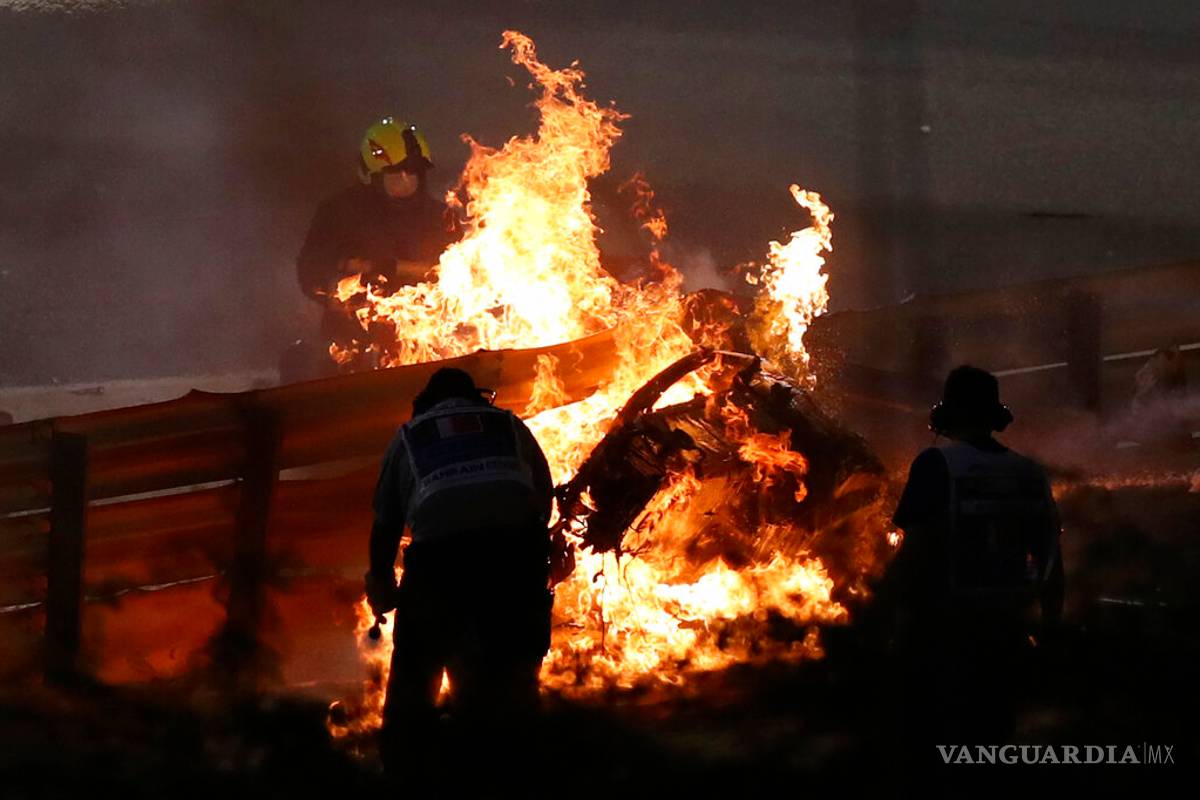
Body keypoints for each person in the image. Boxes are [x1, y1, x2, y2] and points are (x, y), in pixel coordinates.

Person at [364, 367, 555, 781]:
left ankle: (405, 769)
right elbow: (543, 493)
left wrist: (380, 580)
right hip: (513, 559)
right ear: (476, 398)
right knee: (513, 677)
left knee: (418, 672)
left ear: (425, 405)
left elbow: (386, 525)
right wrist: (532, 554)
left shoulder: (409, 435)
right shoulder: (507, 423)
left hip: (439, 564)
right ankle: (520, 765)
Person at [880, 365, 1064, 756]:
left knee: (936, 743)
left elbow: (917, 551)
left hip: (945, 634)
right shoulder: (1030, 473)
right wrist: (1050, 629)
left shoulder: (936, 465)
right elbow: (1052, 562)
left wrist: (885, 615)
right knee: (992, 740)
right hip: (1008, 632)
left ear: (945, 416)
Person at [291, 117, 455, 376]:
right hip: (350, 343)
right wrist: (344, 284)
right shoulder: (339, 213)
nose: (405, 181)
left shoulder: (439, 217)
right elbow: (310, 271)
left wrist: (400, 270)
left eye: (412, 173)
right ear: (373, 176)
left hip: (425, 339)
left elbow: (459, 274)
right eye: (395, 174)